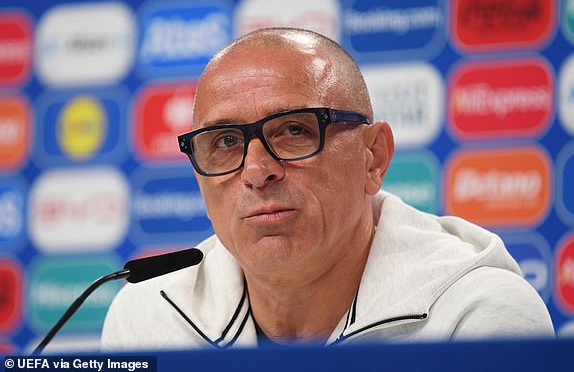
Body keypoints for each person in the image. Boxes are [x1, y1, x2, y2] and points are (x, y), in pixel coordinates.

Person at [101, 27, 554, 351]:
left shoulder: (478, 315)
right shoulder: (146, 315)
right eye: (224, 142)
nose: (257, 171)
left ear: (373, 158)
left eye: (294, 130)